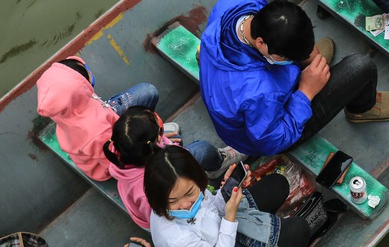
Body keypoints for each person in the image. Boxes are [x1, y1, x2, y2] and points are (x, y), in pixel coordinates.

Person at [198, 0, 389, 157]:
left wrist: (306, 55)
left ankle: (299, 63)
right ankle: (363, 108)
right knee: (360, 67)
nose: (295, 59)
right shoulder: (260, 93)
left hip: (240, 84)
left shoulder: (235, 1)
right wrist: (305, 93)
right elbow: (273, 139)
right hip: (267, 131)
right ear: (261, 43)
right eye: (288, 57)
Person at [103, 106, 243, 230]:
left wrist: (163, 141)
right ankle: (218, 164)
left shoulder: (121, 150)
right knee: (203, 149)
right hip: (171, 216)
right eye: (159, 131)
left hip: (155, 168)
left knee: (176, 138)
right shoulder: (148, 192)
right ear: (153, 143)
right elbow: (163, 217)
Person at [144, 145, 310, 247]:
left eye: (190, 194)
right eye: (173, 201)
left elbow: (212, 208)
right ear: (158, 198)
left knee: (278, 183)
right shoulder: (177, 240)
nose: (185, 204)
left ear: (199, 178)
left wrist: (227, 190)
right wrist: (230, 216)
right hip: (225, 237)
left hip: (223, 227)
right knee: (298, 229)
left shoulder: (190, 187)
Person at [36, 56, 161, 181]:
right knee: (149, 94)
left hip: (101, 117)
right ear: (80, 91)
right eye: (86, 73)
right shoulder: (96, 134)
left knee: (147, 91)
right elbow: (114, 162)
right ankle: (145, 138)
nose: (89, 73)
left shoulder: (62, 103)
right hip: (108, 155)